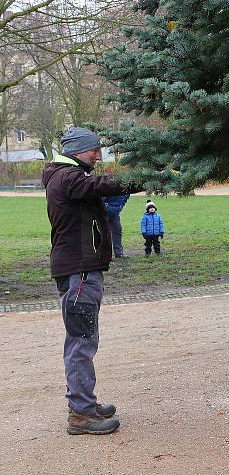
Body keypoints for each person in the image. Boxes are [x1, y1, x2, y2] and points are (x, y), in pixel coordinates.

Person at [42, 127, 142, 435]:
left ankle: (85, 403)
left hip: (80, 271)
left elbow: (99, 187)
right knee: (81, 343)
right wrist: (148, 178)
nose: (98, 156)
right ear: (75, 151)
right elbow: (103, 185)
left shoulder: (67, 176)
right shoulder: (68, 178)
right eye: (92, 151)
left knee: (84, 340)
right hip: (80, 274)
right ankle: (81, 413)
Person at [102, 195, 130, 259]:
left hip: (115, 213)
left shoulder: (127, 191)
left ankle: (119, 253)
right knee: (104, 232)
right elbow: (102, 198)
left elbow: (125, 199)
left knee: (117, 231)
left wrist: (120, 207)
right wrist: (106, 207)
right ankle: (104, 254)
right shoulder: (112, 187)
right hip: (104, 212)